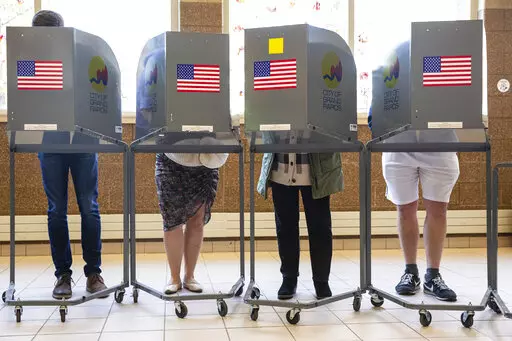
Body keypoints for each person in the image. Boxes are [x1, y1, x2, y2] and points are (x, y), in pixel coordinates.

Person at [33, 10, 108, 299]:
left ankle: (93, 273)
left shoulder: (82, 56)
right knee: (56, 210)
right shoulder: (31, 62)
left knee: (89, 207)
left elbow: (97, 91)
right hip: (50, 142)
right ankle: (63, 275)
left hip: (83, 139)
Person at [369, 107, 458, 302]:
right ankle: (410, 271)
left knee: (438, 210)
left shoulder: (439, 73)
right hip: (398, 141)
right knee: (405, 209)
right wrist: (375, 123)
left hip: (439, 140)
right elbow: (381, 93)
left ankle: (433, 275)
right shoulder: (391, 72)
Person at [257, 132, 343, 300]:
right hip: (281, 166)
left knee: (320, 227)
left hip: (317, 167)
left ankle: (321, 280)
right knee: (285, 227)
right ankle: (288, 278)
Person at [154, 135, 228, 295]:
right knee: (172, 219)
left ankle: (190, 277)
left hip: (207, 157)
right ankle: (174, 278)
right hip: (172, 156)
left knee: (197, 220)